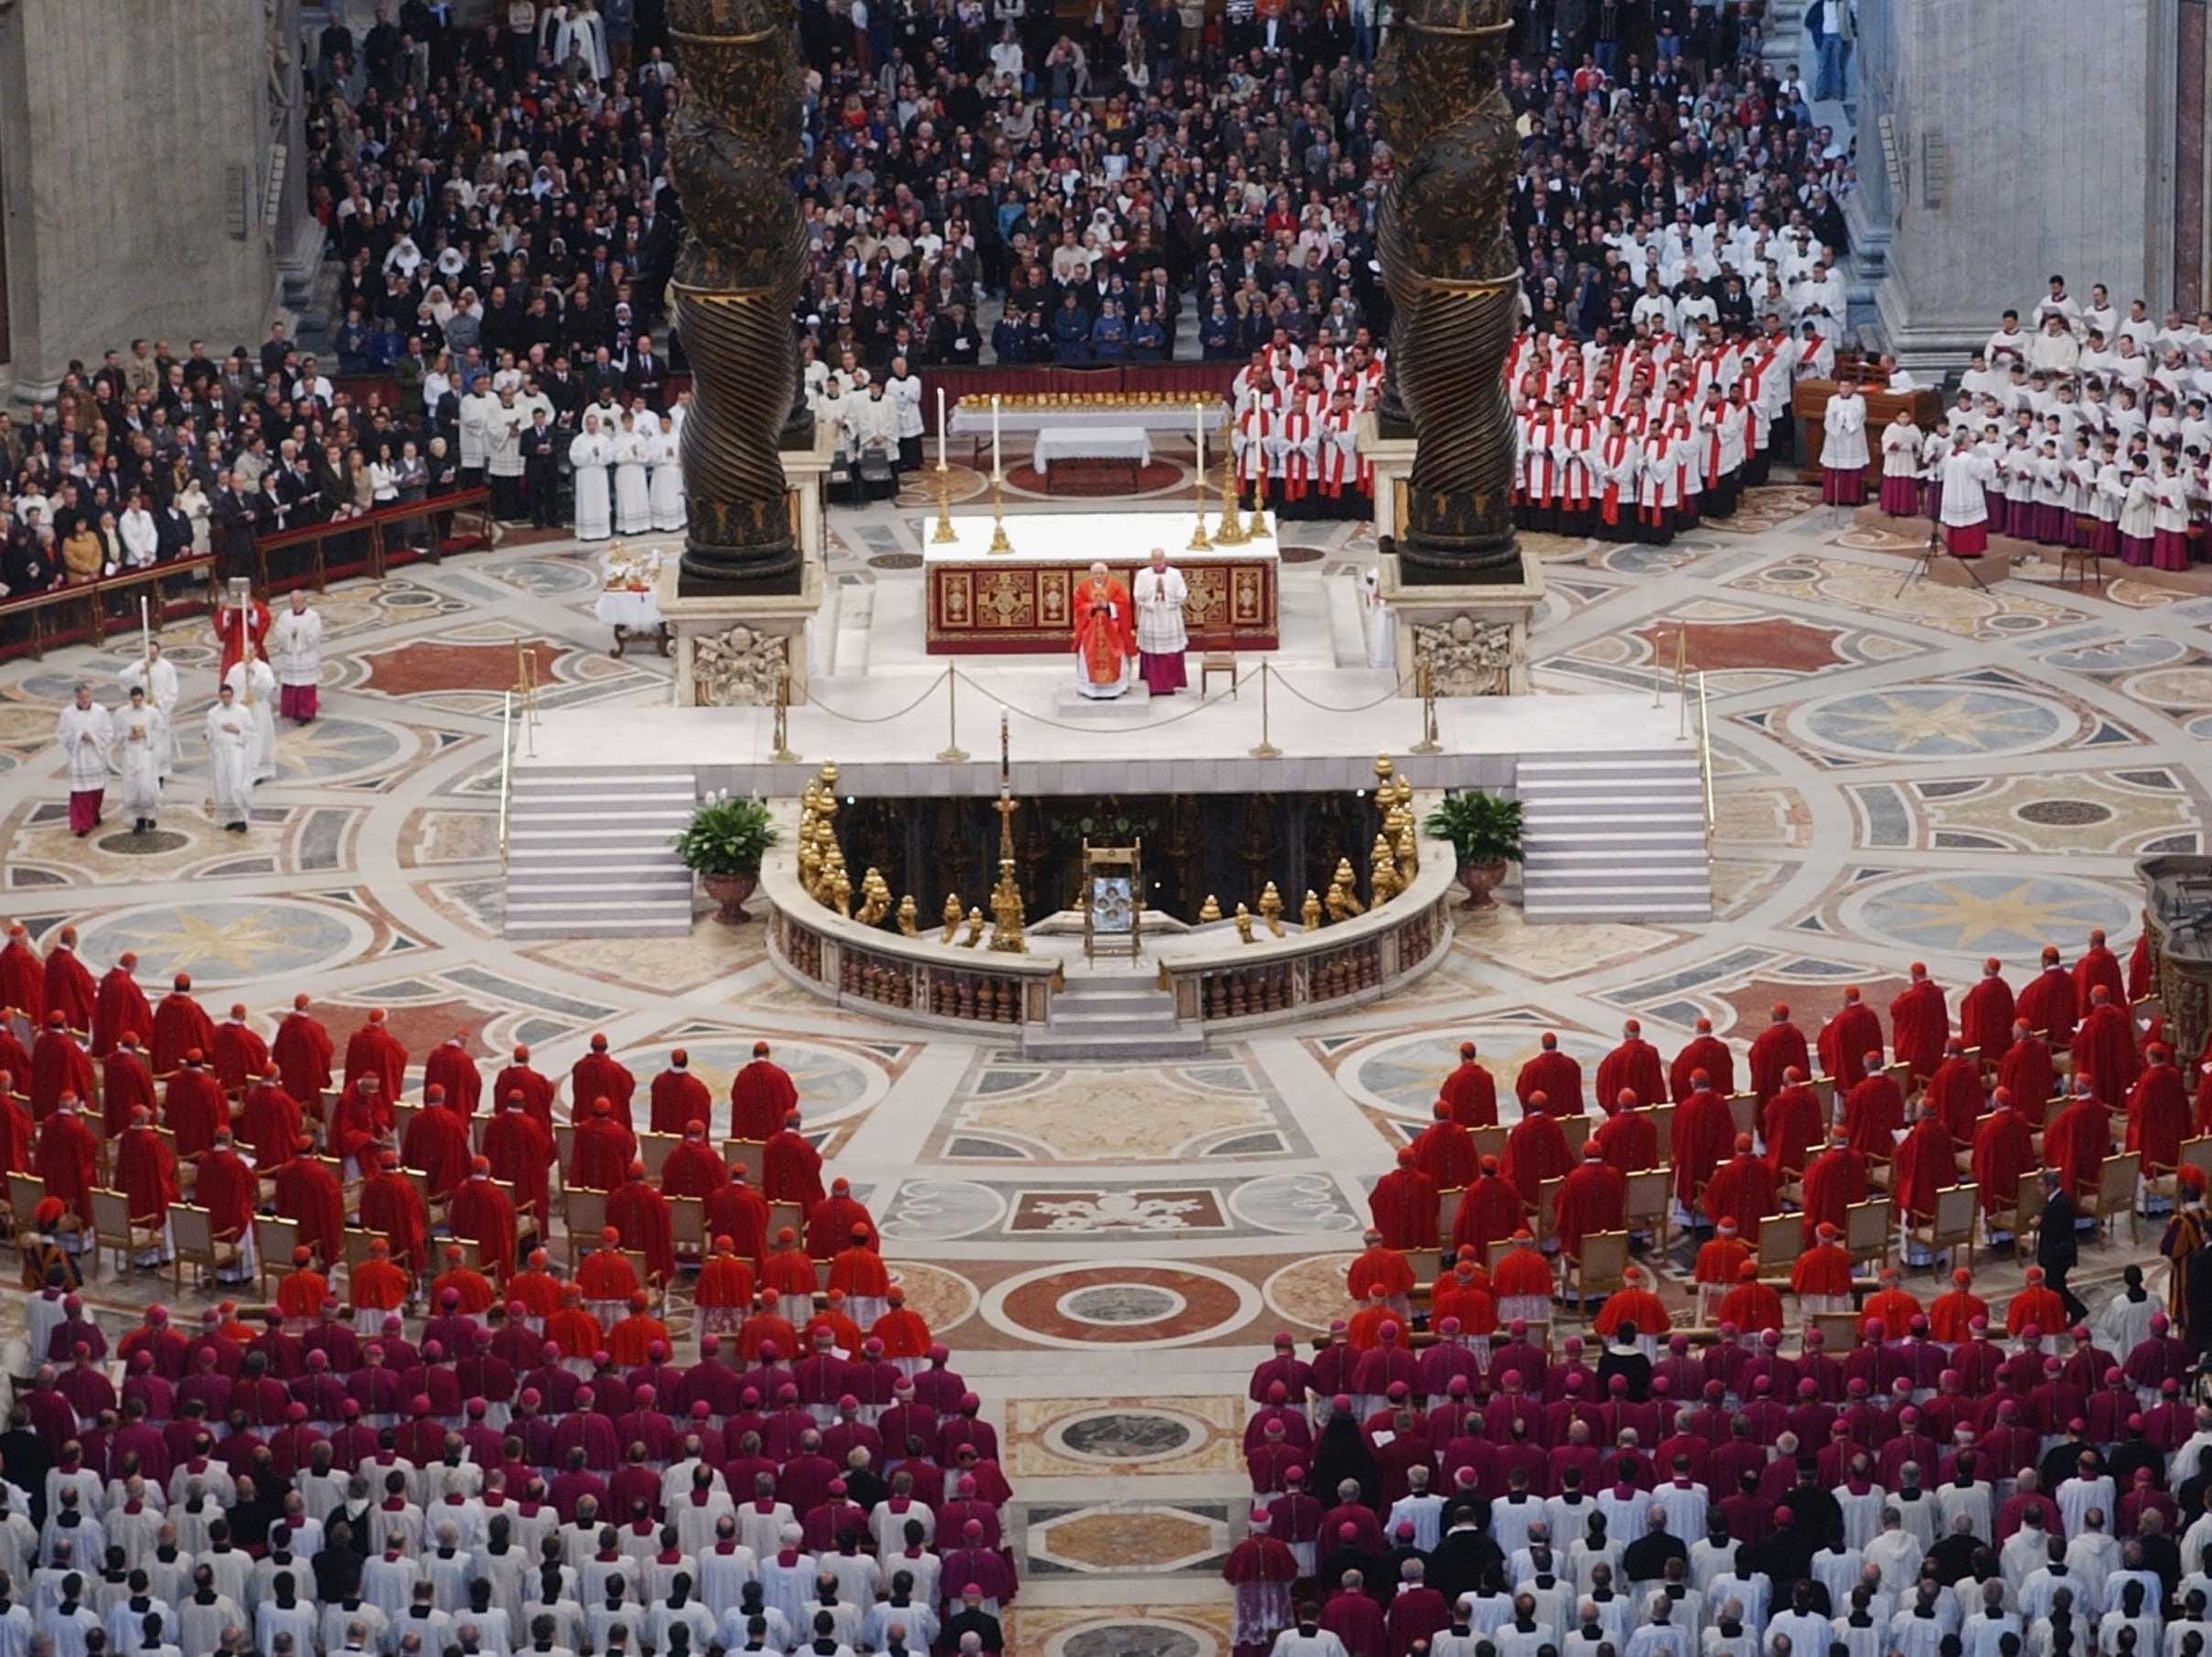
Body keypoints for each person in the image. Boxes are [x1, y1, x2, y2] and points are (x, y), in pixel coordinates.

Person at [1072, 561, 1135, 700]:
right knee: (1089, 653)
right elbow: (1078, 606)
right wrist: (1092, 607)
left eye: (1101, 573)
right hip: (1090, 630)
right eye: (1095, 573)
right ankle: (1090, 689)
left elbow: (1124, 605)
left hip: (1112, 629)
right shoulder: (1083, 587)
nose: (1098, 576)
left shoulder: (1115, 586)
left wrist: (1109, 606)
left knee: (1115, 653)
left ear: (1106, 573)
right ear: (1091, 574)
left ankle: (1115, 688)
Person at [56, 684, 112, 838]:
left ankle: (94, 814)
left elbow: (108, 732)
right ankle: (83, 824)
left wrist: (93, 738)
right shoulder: (67, 714)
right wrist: (79, 736)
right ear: (76, 698)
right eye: (81, 698)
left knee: (97, 790)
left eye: (87, 697)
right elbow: (62, 734)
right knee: (81, 793)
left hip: (95, 756)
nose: (84, 700)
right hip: (79, 758)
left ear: (91, 695)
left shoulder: (101, 711)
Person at [1131, 548, 1190, 696]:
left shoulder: (1175, 574)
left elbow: (1182, 593)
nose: (1157, 562)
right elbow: (1137, 595)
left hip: (1170, 615)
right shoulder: (1143, 574)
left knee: (1170, 650)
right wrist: (1154, 595)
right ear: (1151, 560)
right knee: (1152, 650)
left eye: (1160, 558)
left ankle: (1171, 683)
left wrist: (1165, 595)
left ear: (1165, 559)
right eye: (1154, 559)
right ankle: (1153, 682)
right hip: (1151, 615)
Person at [112, 686, 166, 836]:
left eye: (139, 700)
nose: (137, 703)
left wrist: (146, 734)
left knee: (146, 788)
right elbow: (115, 734)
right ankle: (139, 820)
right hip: (130, 756)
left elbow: (161, 729)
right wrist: (128, 734)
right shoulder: (122, 713)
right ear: (130, 699)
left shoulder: (152, 712)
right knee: (132, 789)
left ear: (143, 698)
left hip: (145, 755)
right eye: (134, 700)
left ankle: (150, 815)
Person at [2038, 1170, 2089, 1325]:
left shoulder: (2060, 1203)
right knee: (2055, 1284)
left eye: (2041, 1185)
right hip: (2058, 1251)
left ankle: (2077, 1310)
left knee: (2055, 1285)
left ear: (2050, 1186)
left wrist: (2040, 1223)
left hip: (2059, 1253)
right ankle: (2063, 1312)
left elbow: (2056, 1230)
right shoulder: (2057, 1201)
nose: (2038, 1189)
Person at [223, 648, 279, 786]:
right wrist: (237, 701)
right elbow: (227, 689)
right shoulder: (235, 669)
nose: (249, 654)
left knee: (258, 739)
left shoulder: (263, 668)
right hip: (241, 711)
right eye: (246, 651)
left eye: (252, 651)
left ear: (255, 652)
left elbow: (269, 686)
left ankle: (256, 772)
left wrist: (254, 680)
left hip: (258, 710)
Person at [268, 592, 324, 723]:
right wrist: (287, 636)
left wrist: (298, 635)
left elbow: (314, 636)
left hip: (305, 656)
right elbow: (279, 632)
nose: (295, 604)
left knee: (306, 687)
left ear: (304, 601)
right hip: (291, 656)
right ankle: (290, 711)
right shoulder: (284, 615)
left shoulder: (313, 617)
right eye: (292, 601)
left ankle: (306, 713)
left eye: (297, 601)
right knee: (290, 684)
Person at [204, 684, 252, 833]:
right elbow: (209, 729)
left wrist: (238, 730)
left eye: (228, 696)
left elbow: (251, 733)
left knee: (236, 785)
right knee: (223, 786)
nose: (226, 700)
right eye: (223, 697)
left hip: (236, 752)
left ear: (233, 696)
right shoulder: (213, 713)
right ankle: (229, 819)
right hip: (220, 753)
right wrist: (207, 735)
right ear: (220, 697)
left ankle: (242, 819)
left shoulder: (243, 711)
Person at [1822, 376, 1870, 507]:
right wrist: (1837, 423)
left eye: (1847, 386)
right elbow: (1829, 416)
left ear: (1852, 387)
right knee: (1835, 464)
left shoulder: (1859, 400)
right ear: (1838, 387)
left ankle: (1853, 498)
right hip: (1836, 437)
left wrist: (1845, 418)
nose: (1845, 389)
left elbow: (1860, 416)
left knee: (1853, 465)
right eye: (1842, 386)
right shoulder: (1832, 400)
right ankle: (1833, 497)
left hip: (1853, 437)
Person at [571, 412, 613, 541]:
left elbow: (610, 457)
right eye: (589, 424)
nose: (592, 427)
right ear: (585, 425)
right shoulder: (579, 440)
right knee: (586, 502)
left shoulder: (604, 439)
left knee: (600, 501)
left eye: (594, 424)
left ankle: (603, 532)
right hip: (585, 475)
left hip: (599, 474)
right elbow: (574, 458)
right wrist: (589, 454)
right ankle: (586, 533)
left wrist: (600, 455)